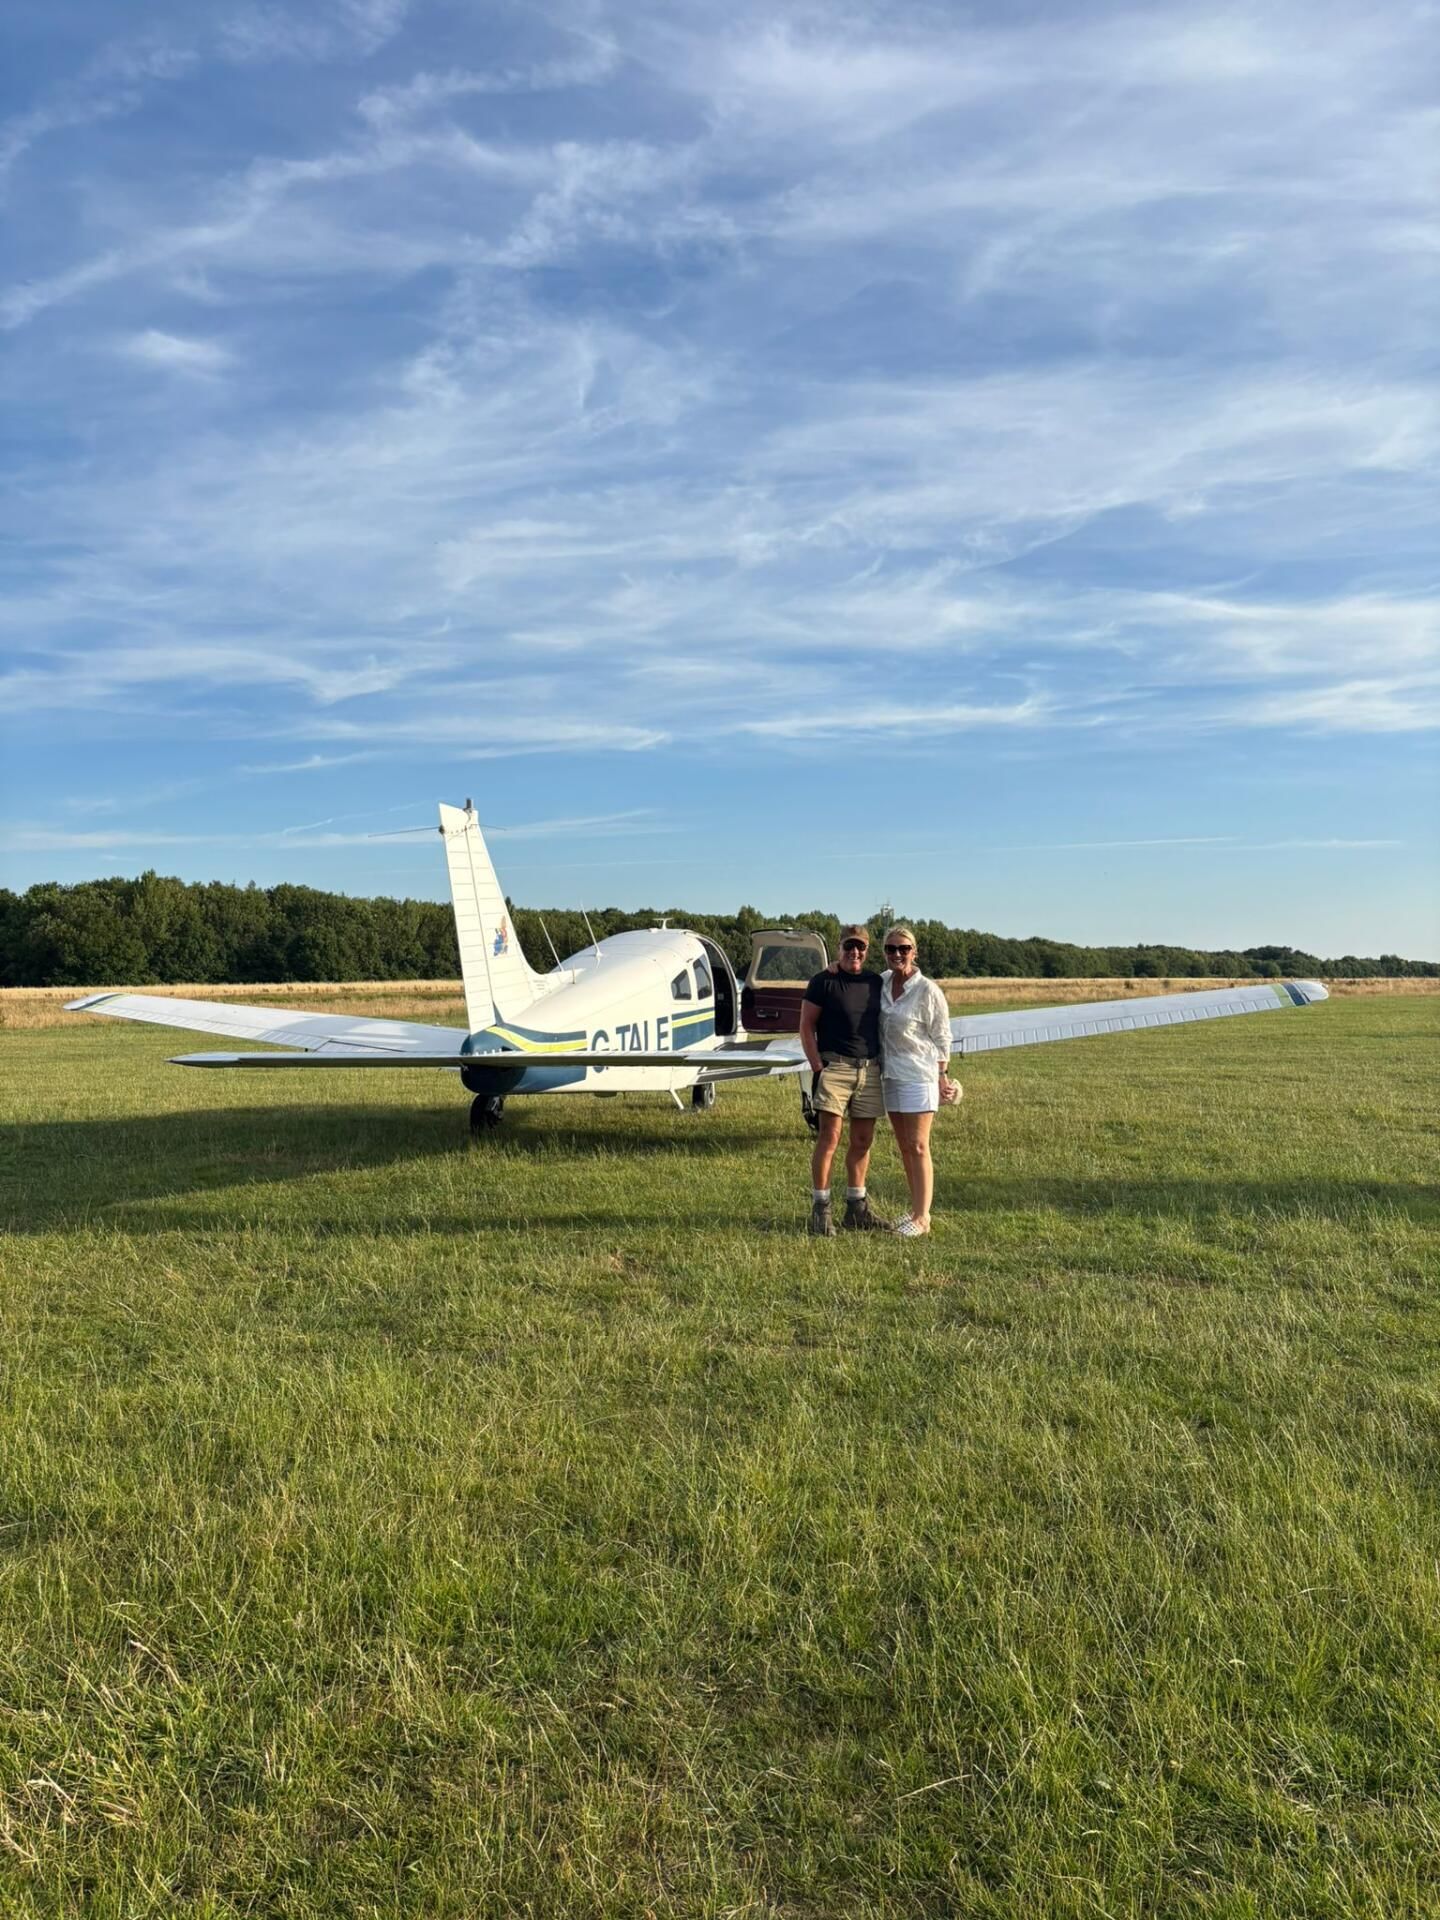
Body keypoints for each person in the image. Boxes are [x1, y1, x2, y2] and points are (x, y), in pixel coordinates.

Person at [799, 925, 887, 1235]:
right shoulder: (823, 981)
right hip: (835, 1068)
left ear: (866, 949)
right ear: (839, 948)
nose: (854, 952)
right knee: (829, 1138)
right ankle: (821, 1210)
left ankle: (856, 1208)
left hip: (869, 1069)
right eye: (849, 946)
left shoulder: (876, 982)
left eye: (860, 947)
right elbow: (806, 1026)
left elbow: (904, 978)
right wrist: (817, 1066)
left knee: (862, 1142)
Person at [878, 925, 958, 1238]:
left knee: (919, 1145)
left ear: (915, 952)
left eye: (904, 949)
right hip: (890, 1075)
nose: (897, 954)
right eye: (891, 949)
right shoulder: (882, 982)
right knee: (904, 1147)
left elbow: (942, 1036)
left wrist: (942, 1075)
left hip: (919, 1075)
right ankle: (913, 1210)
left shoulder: (928, 990)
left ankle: (923, 1218)